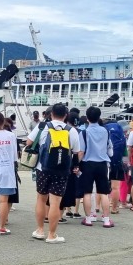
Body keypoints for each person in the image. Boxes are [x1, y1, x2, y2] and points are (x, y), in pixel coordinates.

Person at [32, 103, 82, 244]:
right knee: (55, 202)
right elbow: (75, 152)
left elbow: (29, 142)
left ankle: (40, 230)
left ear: (51, 113)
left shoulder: (42, 127)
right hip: (62, 171)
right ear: (65, 115)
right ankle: (52, 235)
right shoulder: (71, 130)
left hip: (43, 168)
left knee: (41, 199)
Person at [80, 107, 115, 227]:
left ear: (87, 118)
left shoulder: (84, 132)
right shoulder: (106, 131)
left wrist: (76, 164)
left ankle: (89, 218)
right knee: (104, 192)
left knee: (87, 192)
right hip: (102, 163)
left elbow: (81, 151)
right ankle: (106, 219)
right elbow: (108, 146)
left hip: (88, 163)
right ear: (99, 117)